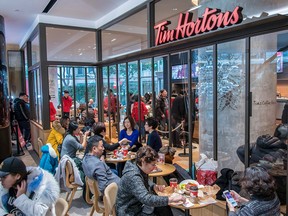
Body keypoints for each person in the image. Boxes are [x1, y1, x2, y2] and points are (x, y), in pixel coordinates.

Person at [116, 146, 186, 216]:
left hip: (137, 205)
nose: (155, 167)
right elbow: (146, 198)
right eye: (153, 164)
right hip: (129, 211)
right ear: (143, 161)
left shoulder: (137, 166)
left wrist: (153, 186)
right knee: (162, 206)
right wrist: (170, 199)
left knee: (163, 207)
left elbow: (144, 181)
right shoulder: (132, 176)